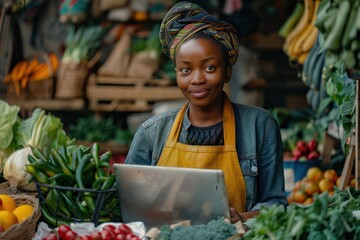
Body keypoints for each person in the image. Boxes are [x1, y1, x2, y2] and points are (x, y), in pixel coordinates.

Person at [125, 1, 287, 225]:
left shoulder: (261, 126)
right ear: (176, 74)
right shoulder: (152, 134)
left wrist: (243, 218)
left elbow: (275, 203)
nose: (197, 78)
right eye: (185, 70)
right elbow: (130, 207)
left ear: (227, 72)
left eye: (210, 67)